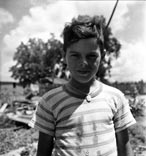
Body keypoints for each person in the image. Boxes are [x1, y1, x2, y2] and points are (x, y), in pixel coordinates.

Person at [29, 15, 136, 156]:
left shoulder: (116, 98)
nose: (83, 63)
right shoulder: (49, 102)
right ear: (65, 56)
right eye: (75, 55)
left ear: (102, 56)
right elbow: (43, 152)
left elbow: (124, 148)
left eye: (91, 56)